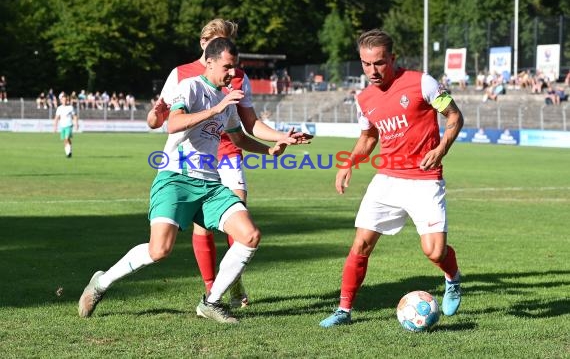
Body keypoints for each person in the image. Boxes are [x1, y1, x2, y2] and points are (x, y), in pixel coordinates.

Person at [78, 37, 291, 324]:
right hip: (175, 178)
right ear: (211, 61)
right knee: (159, 250)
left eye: (234, 68)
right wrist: (216, 109)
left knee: (250, 235)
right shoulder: (190, 87)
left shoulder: (227, 96)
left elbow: (238, 137)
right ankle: (102, 283)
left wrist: (272, 148)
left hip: (210, 184)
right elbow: (172, 124)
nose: (232, 73)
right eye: (227, 67)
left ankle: (211, 302)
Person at [147, 19, 312, 309]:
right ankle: (213, 290)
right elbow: (162, 119)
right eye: (219, 45)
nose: (228, 55)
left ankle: (230, 283)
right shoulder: (181, 75)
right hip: (192, 158)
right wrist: (154, 116)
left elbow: (250, 124)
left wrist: (282, 136)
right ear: (205, 45)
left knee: (238, 221)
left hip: (229, 152)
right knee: (203, 229)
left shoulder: (238, 77)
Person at [319, 29, 464, 328]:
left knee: (434, 251)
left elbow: (454, 116)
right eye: (365, 64)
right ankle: (343, 310)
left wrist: (441, 149)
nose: (372, 70)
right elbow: (369, 137)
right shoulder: (365, 98)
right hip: (387, 178)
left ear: (393, 58)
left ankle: (452, 277)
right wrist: (348, 162)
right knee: (360, 244)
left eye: (379, 63)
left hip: (425, 179)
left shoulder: (422, 82)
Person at [53, 93, 78, 158]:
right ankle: (69, 152)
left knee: (67, 138)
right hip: (62, 126)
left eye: (65, 100)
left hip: (69, 125)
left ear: (67, 100)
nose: (64, 101)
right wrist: (55, 127)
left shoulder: (70, 107)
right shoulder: (59, 108)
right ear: (61, 100)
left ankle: (68, 152)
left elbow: (75, 116)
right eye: (63, 100)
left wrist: (76, 124)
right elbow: (56, 118)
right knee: (65, 140)